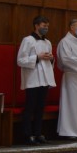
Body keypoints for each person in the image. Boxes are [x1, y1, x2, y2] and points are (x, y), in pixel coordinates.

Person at [16, 15, 56, 145]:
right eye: (44, 26)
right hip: (33, 79)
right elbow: (20, 60)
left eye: (47, 26)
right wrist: (37, 57)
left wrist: (51, 58)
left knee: (40, 108)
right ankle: (27, 135)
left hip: (44, 79)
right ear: (36, 26)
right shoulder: (27, 40)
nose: (46, 28)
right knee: (30, 108)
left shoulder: (47, 42)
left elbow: (50, 62)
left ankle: (38, 133)